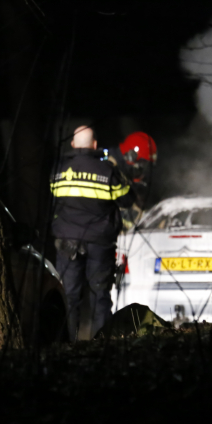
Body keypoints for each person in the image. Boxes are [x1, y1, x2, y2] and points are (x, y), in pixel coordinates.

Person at [50, 125, 137, 340]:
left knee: (69, 298)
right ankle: (101, 344)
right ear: (95, 145)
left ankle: (68, 345)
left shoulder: (59, 171)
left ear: (73, 144)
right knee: (100, 295)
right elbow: (127, 200)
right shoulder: (107, 171)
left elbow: (53, 202)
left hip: (66, 242)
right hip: (100, 242)